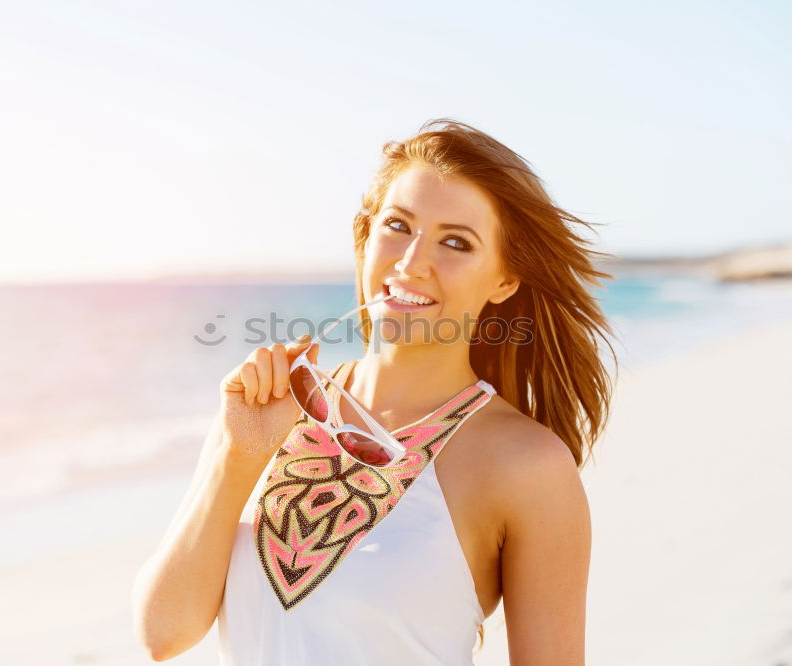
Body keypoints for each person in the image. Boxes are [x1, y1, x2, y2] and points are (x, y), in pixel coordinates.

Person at [132, 118, 619, 664]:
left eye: (456, 242)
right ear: (366, 240)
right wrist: (235, 455)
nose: (411, 263)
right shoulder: (273, 406)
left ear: (504, 280)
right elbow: (163, 633)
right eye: (398, 226)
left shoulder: (527, 466)